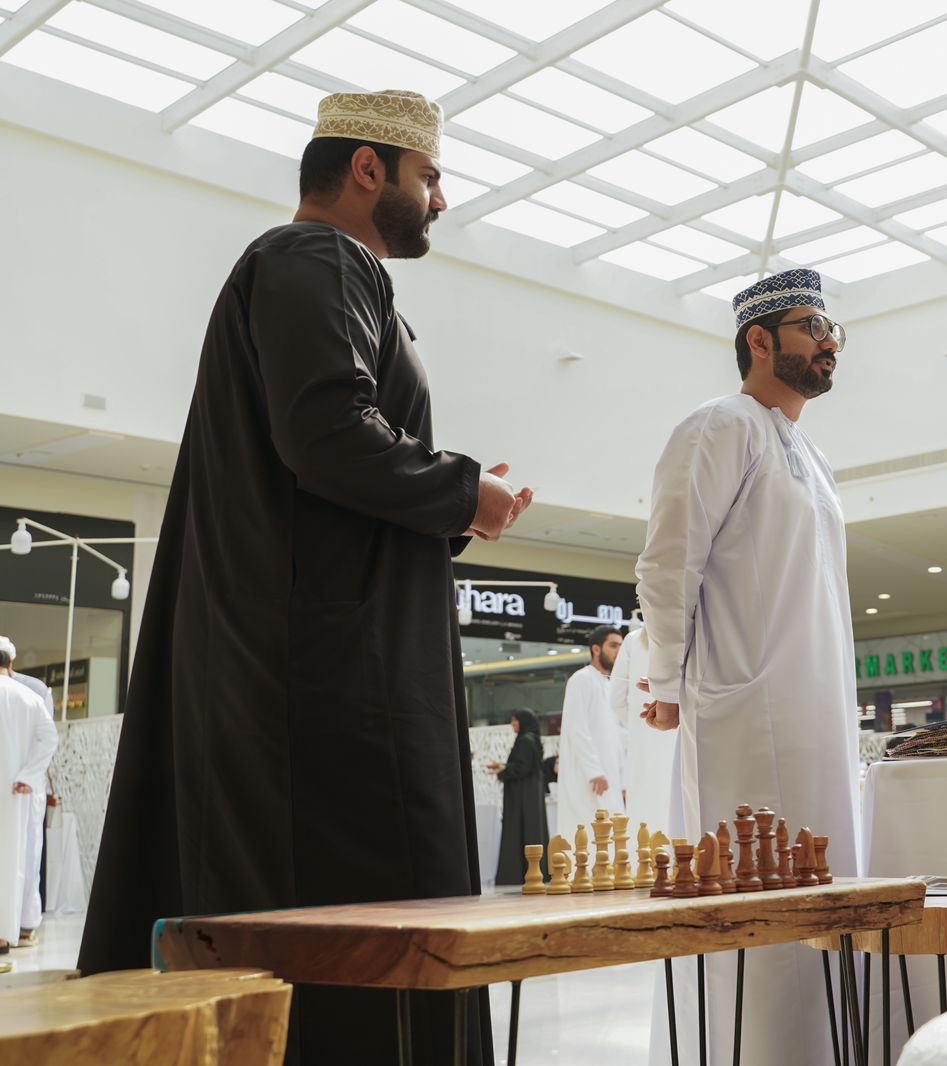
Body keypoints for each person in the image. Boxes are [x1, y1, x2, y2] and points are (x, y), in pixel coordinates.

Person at [78, 90, 534, 1064]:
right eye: (429, 175)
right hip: (328, 687)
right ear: (368, 168)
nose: (441, 199)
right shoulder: (317, 258)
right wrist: (465, 493)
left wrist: (454, 503)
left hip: (314, 663)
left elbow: (322, 465)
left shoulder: (312, 269)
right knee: (360, 937)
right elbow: (327, 431)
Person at [635, 268, 861, 1066]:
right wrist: (667, 683)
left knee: (822, 900)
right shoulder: (719, 425)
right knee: (754, 904)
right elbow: (670, 562)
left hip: (818, 709)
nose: (830, 343)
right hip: (746, 710)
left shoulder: (812, 454)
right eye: (813, 327)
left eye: (834, 330)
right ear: (759, 341)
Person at [0, 641, 55, 957]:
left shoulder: (33, 690)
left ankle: (21, 926)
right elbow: (49, 738)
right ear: (10, 661)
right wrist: (27, 775)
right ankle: (10, 932)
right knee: (16, 859)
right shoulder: (30, 695)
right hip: (17, 791)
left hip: (21, 789)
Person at [554, 625, 624, 835]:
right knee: (587, 832)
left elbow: (616, 735)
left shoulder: (610, 684)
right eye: (613, 646)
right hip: (588, 776)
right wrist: (594, 772)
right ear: (596, 649)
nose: (618, 652)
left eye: (621, 646)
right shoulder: (581, 679)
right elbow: (576, 728)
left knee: (613, 834)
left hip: (610, 774)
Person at [610, 620, 675, 836]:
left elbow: (615, 699)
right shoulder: (685, 633)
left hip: (642, 743)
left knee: (643, 813)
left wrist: (639, 724)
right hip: (680, 735)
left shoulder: (632, 640)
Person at [488, 709, 550, 887]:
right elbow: (524, 765)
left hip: (522, 797)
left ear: (524, 722)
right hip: (530, 795)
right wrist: (504, 767)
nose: (513, 724)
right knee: (531, 832)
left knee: (519, 832)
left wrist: (503, 771)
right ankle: (534, 872)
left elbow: (522, 768)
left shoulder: (525, 740)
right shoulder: (532, 740)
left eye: (516, 721)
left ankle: (516, 875)